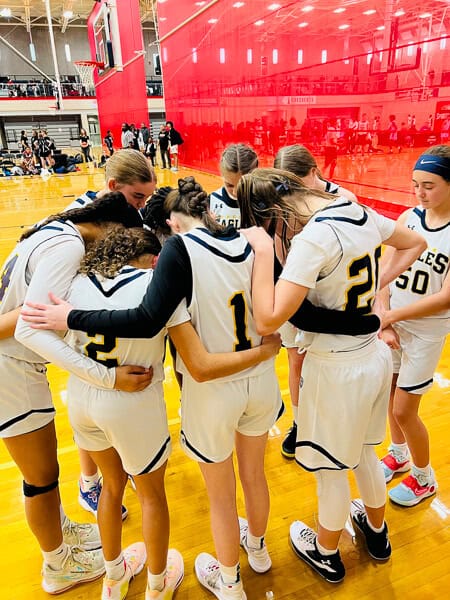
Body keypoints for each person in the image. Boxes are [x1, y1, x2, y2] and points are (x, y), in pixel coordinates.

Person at [20, 177, 284, 600]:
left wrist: (71, 319)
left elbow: (156, 332)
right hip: (251, 383)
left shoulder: (89, 283)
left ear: (175, 225)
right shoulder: (246, 246)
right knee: (248, 477)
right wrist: (267, 349)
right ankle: (250, 553)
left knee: (164, 492)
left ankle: (195, 581)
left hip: (135, 394)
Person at [237, 167, 426, 583]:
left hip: (336, 367)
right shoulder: (354, 208)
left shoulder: (311, 240)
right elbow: (414, 242)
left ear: (270, 216)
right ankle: (377, 534)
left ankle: (325, 551)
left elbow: (269, 318)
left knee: (330, 470)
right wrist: (376, 295)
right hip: (372, 357)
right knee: (361, 454)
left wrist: (266, 254)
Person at [0, 194, 150, 594]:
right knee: (41, 480)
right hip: (11, 371)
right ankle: (57, 564)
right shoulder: (68, 245)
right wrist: (106, 377)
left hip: (15, 366)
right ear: (111, 228)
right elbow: (30, 328)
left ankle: (60, 534)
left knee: (44, 474)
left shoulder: (51, 230)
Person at [273, 144, 357, 458]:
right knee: (296, 360)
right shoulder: (282, 201)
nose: (291, 190)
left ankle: (331, 423)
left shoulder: (344, 200)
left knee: (329, 365)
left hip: (330, 297)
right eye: (286, 184)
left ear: (313, 171)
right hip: (297, 295)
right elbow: (279, 248)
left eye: (297, 182)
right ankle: (301, 423)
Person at [378, 146, 450, 507]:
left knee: (406, 409)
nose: (419, 193)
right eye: (415, 184)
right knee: (390, 397)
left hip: (424, 331)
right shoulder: (408, 218)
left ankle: (425, 478)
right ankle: (398, 453)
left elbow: (447, 297)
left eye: (429, 186)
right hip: (395, 325)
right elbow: (385, 271)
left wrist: (391, 317)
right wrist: (383, 313)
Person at [65, 149, 156, 212]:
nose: (143, 205)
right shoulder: (75, 218)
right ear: (113, 185)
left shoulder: (129, 209)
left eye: (147, 197)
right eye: (138, 196)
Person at [209, 143, 258, 228]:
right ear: (222, 175)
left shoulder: (262, 202)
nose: (235, 192)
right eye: (230, 185)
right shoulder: (212, 202)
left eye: (242, 186)